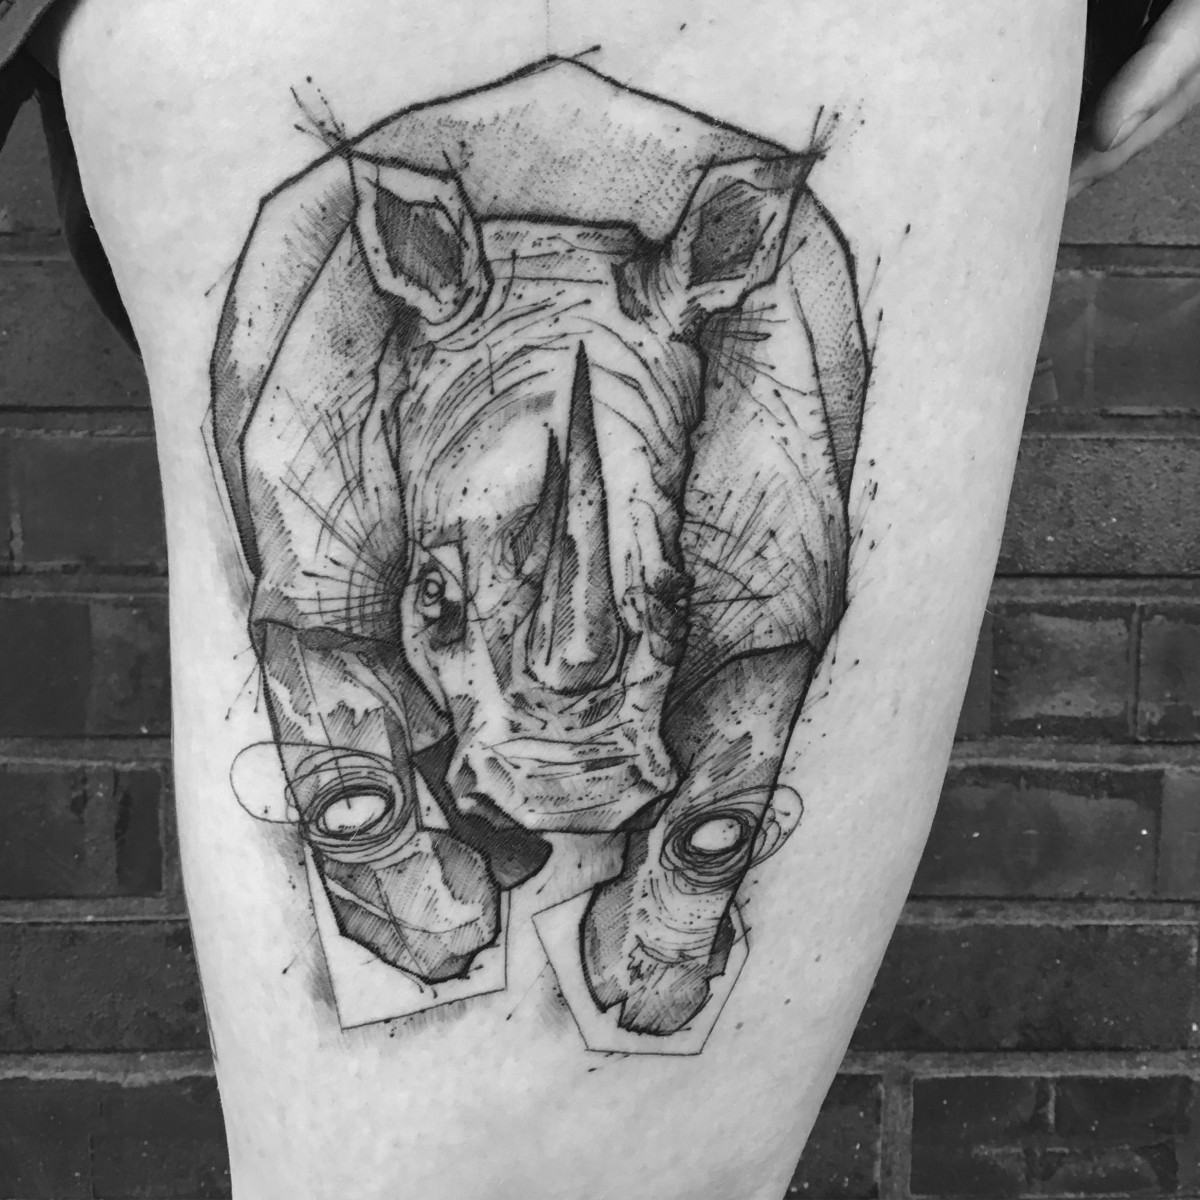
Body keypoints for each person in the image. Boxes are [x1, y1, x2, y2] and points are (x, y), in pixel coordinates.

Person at [1, 3, 1198, 1199]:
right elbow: (311, 606)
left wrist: (676, 894)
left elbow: (771, 615)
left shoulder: (759, 378)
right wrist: (387, 850)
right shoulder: (332, 371)